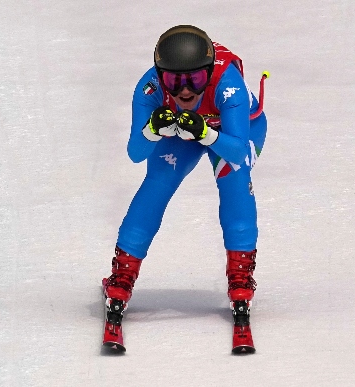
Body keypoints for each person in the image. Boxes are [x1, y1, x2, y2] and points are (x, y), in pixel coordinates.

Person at [102, 25, 267, 349]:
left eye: (195, 80)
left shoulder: (227, 84)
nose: (186, 91)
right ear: (161, 77)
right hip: (183, 131)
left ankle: (241, 279)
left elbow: (236, 150)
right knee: (157, 184)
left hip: (231, 133)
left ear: (209, 73)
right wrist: (152, 129)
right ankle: (123, 274)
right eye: (175, 81)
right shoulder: (149, 88)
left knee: (234, 182)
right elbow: (136, 153)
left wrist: (205, 133)